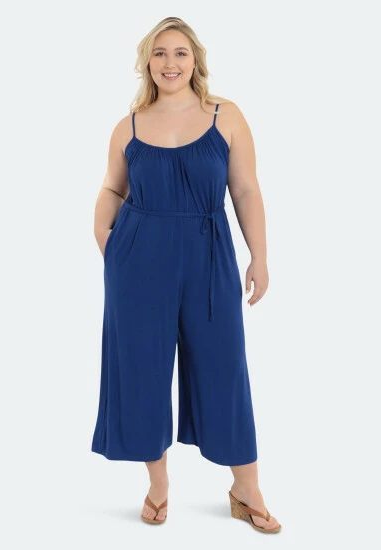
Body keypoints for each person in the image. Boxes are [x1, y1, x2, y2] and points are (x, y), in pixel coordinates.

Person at [91, 17, 281, 534]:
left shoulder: (226, 116)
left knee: (224, 367)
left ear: (195, 59)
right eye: (159, 53)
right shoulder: (129, 126)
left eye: (179, 52)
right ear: (146, 62)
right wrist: (107, 240)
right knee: (142, 371)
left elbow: (246, 190)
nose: (170, 63)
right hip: (138, 261)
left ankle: (246, 488)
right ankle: (158, 484)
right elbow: (112, 189)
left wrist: (259, 256)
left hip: (208, 254)